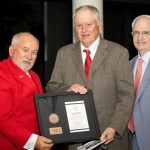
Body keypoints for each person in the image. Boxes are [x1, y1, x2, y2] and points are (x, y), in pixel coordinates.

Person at [46, 5, 134, 150]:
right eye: (79, 25)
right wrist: (68, 88)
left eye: (88, 24)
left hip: (111, 139)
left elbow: (127, 95)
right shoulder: (64, 54)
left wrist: (114, 127)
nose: (83, 30)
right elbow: (51, 86)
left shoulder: (118, 53)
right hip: (75, 139)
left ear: (99, 24)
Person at [0, 32, 54, 150]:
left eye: (34, 52)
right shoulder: (1, 73)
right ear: (11, 50)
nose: (29, 57)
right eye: (25, 50)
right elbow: (2, 120)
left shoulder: (34, 75)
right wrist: (32, 141)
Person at [128, 15, 150, 150]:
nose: (140, 37)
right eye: (136, 32)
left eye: (146, 33)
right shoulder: (128, 65)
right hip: (128, 139)